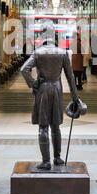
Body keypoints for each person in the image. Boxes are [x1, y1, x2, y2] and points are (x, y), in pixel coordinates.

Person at [21, 23, 83, 170]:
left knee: (43, 126)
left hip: (43, 89)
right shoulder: (62, 53)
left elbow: (24, 69)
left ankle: (46, 161)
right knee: (56, 126)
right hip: (56, 89)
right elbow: (70, 77)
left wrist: (34, 83)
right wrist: (75, 98)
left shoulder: (38, 52)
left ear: (42, 35)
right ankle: (58, 158)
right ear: (54, 35)